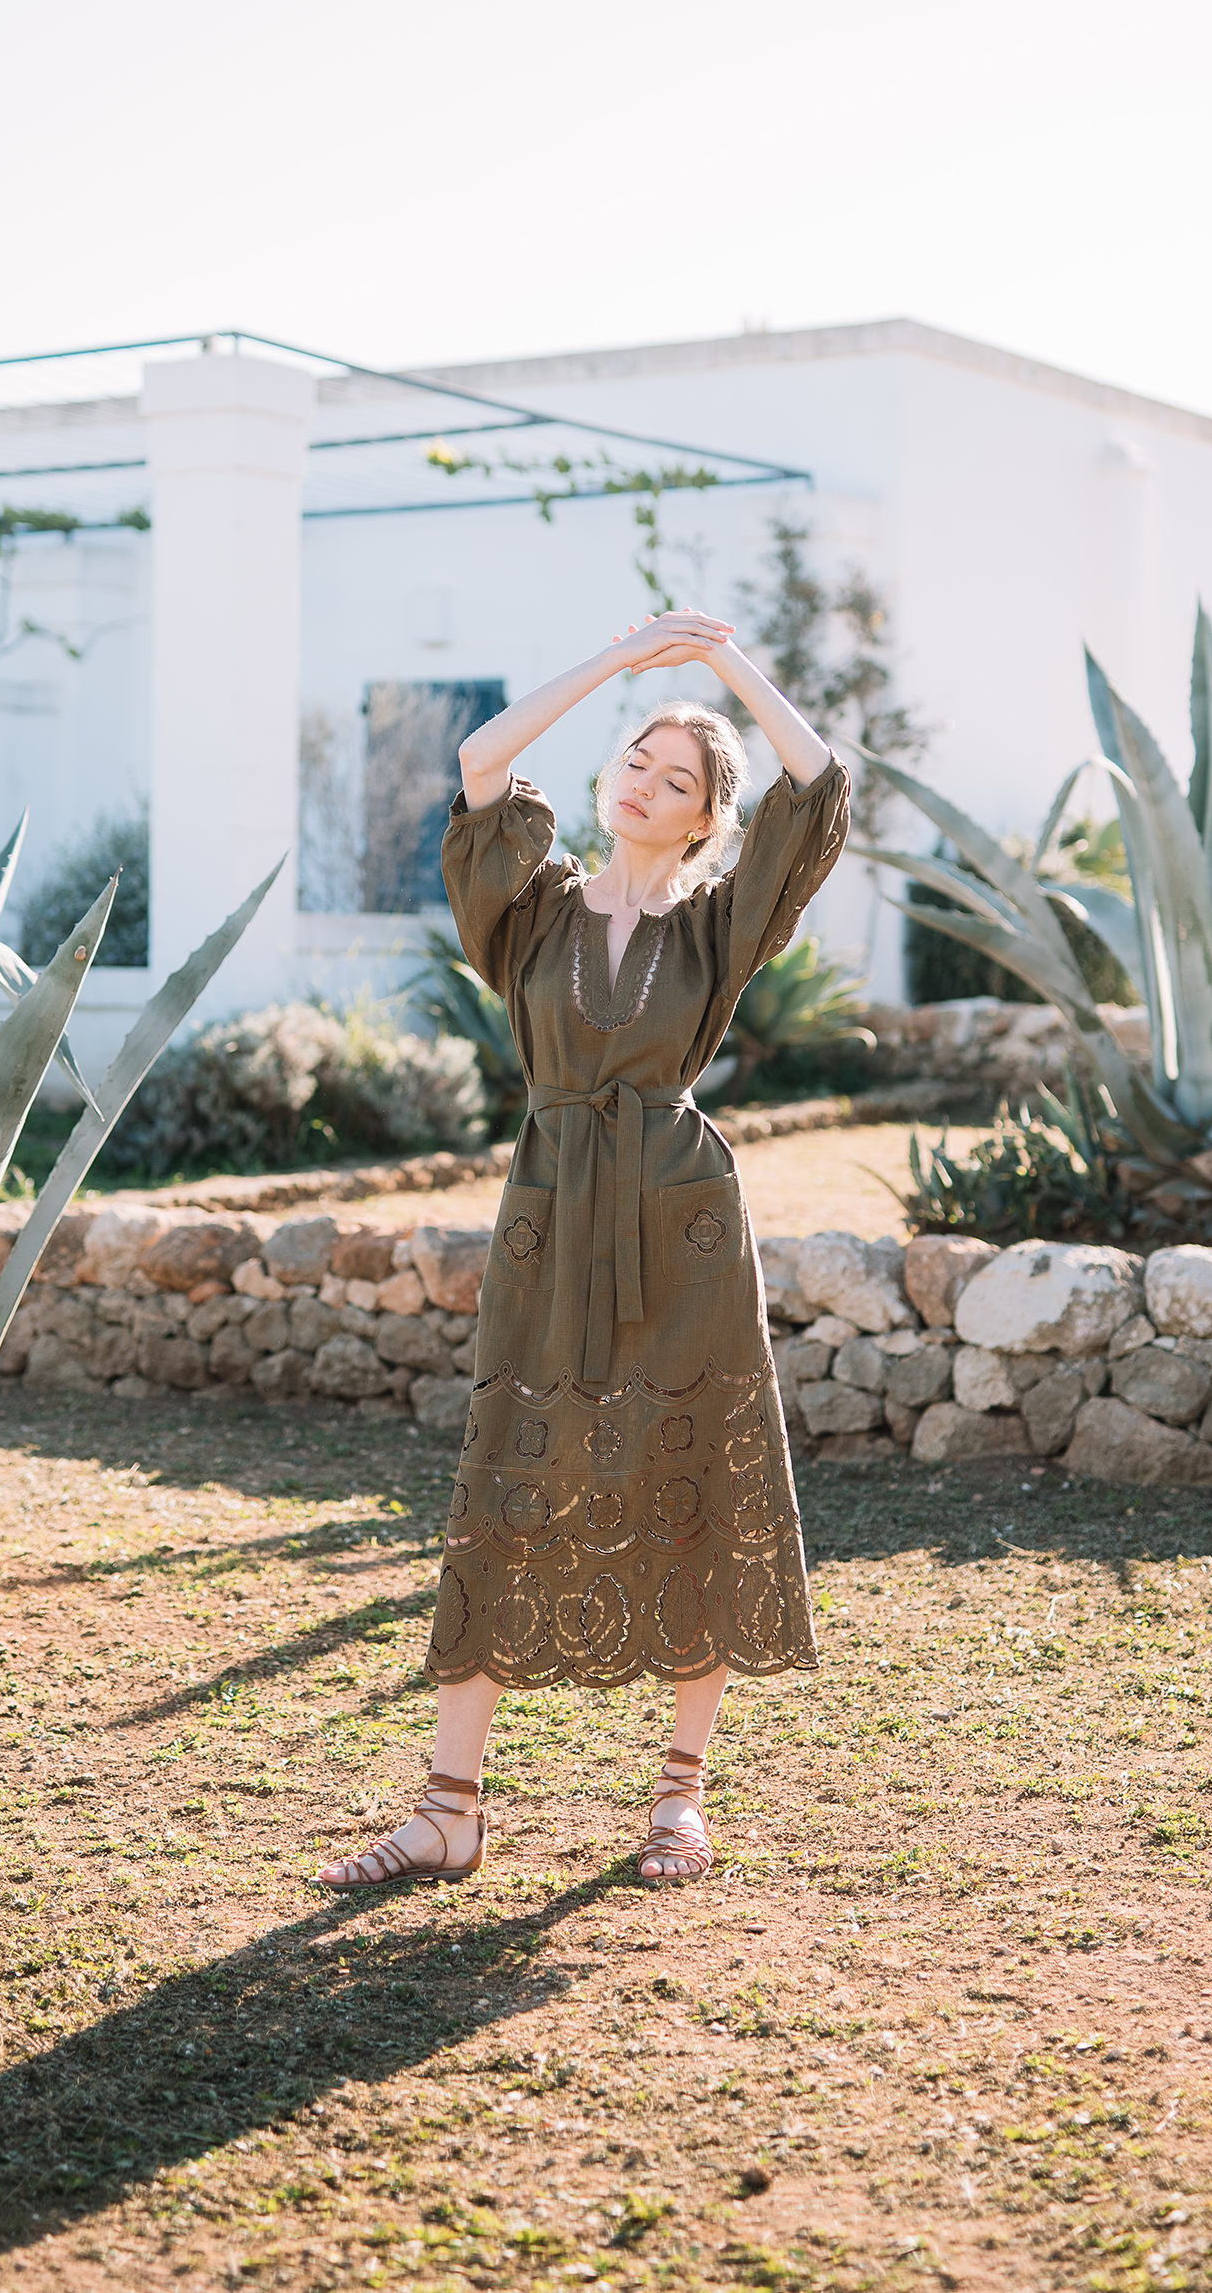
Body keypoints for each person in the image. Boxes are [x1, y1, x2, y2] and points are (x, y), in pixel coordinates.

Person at [318, 606, 851, 1890]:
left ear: (703, 821)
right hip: (553, 1204)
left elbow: (819, 780)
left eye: (677, 780)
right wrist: (623, 662)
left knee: (695, 1481)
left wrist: (722, 667)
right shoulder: (537, 910)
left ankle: (680, 1796)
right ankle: (450, 1810)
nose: (643, 781)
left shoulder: (719, 926)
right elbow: (482, 766)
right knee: (513, 1469)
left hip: (681, 1218)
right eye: (636, 759)